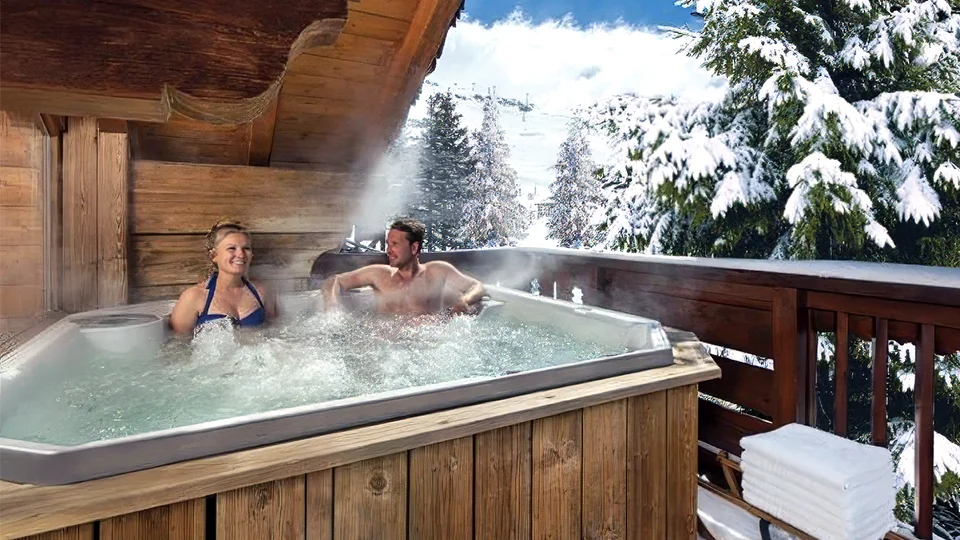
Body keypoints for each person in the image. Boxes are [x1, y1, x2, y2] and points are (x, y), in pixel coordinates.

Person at [322, 218, 486, 316]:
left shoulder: (437, 271)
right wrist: (332, 306)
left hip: (424, 349)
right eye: (388, 244)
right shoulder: (379, 274)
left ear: (414, 248)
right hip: (386, 349)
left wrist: (464, 301)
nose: (388, 250)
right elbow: (335, 280)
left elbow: (476, 286)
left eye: (394, 244)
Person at [169, 221, 277, 334]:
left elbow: (276, 333)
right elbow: (180, 345)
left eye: (246, 248)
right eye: (232, 248)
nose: (241, 254)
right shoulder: (193, 297)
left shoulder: (263, 292)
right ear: (214, 256)